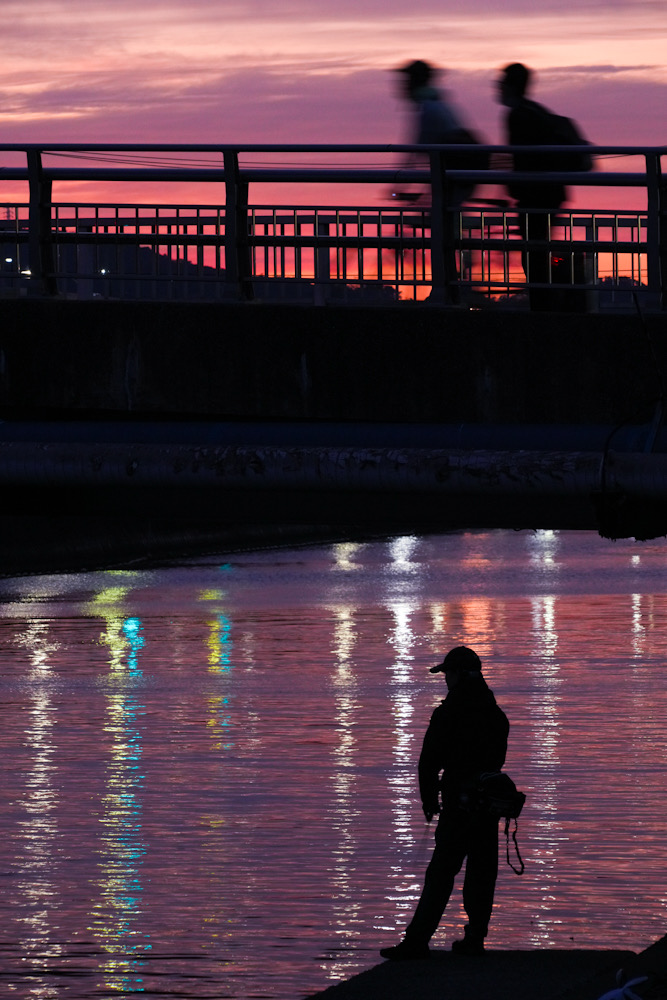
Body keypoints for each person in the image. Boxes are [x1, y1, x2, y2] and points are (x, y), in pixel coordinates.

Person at [380, 646, 510, 961]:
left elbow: (428, 762)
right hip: (486, 808)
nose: (445, 680)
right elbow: (497, 762)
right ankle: (475, 939)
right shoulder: (495, 714)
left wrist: (429, 800)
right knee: (481, 874)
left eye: (447, 674)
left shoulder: (447, 714)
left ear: (459, 674)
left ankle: (416, 942)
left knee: (440, 875)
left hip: (458, 808)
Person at [497, 62, 586, 311]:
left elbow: (522, 159)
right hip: (550, 192)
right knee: (539, 250)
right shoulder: (535, 111)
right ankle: (554, 301)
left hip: (536, 195)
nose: (498, 88)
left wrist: (512, 188)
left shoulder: (517, 115)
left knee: (534, 254)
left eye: (502, 82)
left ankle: (545, 307)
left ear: (512, 86)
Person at [395, 60, 481, 303]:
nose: (401, 86)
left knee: (443, 230)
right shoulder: (438, 104)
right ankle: (454, 285)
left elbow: (416, 148)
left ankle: (450, 288)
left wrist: (398, 184)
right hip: (457, 171)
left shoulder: (427, 108)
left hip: (452, 173)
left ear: (413, 82)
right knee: (446, 226)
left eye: (404, 81)